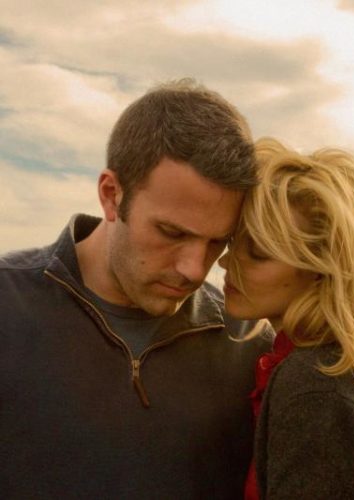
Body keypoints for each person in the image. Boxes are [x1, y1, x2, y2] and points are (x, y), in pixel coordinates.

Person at [0, 79, 271, 499]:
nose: (194, 269)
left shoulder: (250, 343)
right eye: (171, 232)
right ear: (111, 195)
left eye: (218, 241)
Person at [219, 137, 354, 499]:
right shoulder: (334, 364)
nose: (225, 262)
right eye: (233, 244)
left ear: (324, 272)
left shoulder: (319, 382)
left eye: (258, 252)